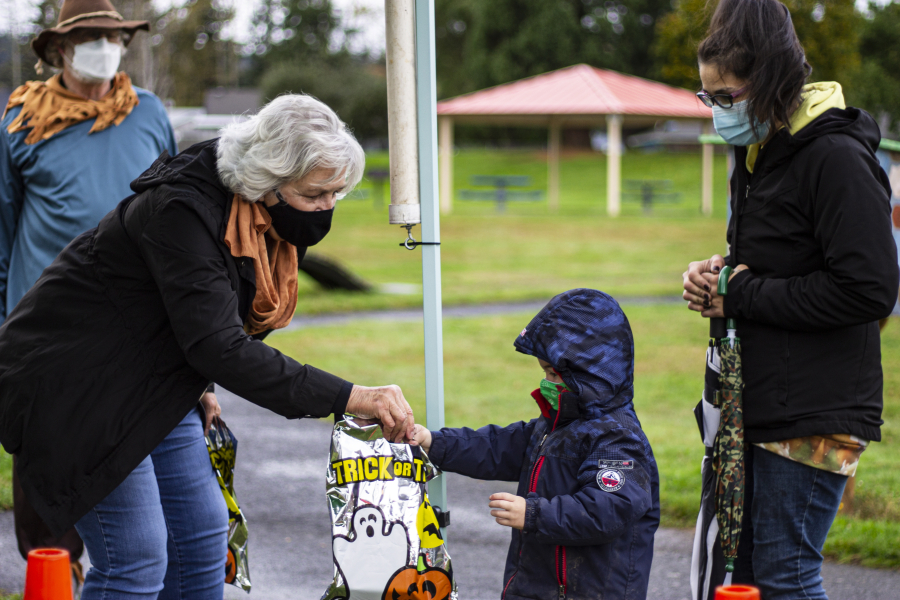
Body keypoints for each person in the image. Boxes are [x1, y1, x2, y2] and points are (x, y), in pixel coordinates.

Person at [0, 93, 416, 600]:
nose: (327, 207)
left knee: (201, 539)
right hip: (76, 386)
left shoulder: (263, 216)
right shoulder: (180, 211)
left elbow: (200, 314)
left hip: (155, 382)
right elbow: (219, 345)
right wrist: (352, 397)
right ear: (267, 180)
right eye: (315, 194)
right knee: (136, 559)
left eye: (337, 193)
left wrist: (201, 382)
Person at [682, 1, 899, 598]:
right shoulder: (758, 152)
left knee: (786, 577)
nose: (719, 111)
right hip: (761, 401)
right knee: (746, 577)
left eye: (725, 96)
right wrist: (716, 275)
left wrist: (742, 293)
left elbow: (870, 288)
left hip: (815, 410)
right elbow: (778, 261)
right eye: (708, 98)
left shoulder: (835, 156)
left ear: (772, 80)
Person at [0, 0, 178, 576]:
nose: (106, 45)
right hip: (46, 324)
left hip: (137, 322)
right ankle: (52, 571)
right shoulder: (21, 121)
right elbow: (2, 229)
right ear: (58, 51)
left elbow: (177, 215)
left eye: (114, 35)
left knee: (137, 455)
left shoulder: (148, 113)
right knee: (48, 460)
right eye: (91, 37)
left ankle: (124, 569)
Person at [412, 289, 660, 600]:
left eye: (553, 373)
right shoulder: (556, 424)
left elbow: (608, 509)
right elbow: (496, 446)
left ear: (591, 373)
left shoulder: (618, 438)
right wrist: (435, 442)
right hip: (535, 586)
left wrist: (533, 514)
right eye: (544, 371)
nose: (546, 382)